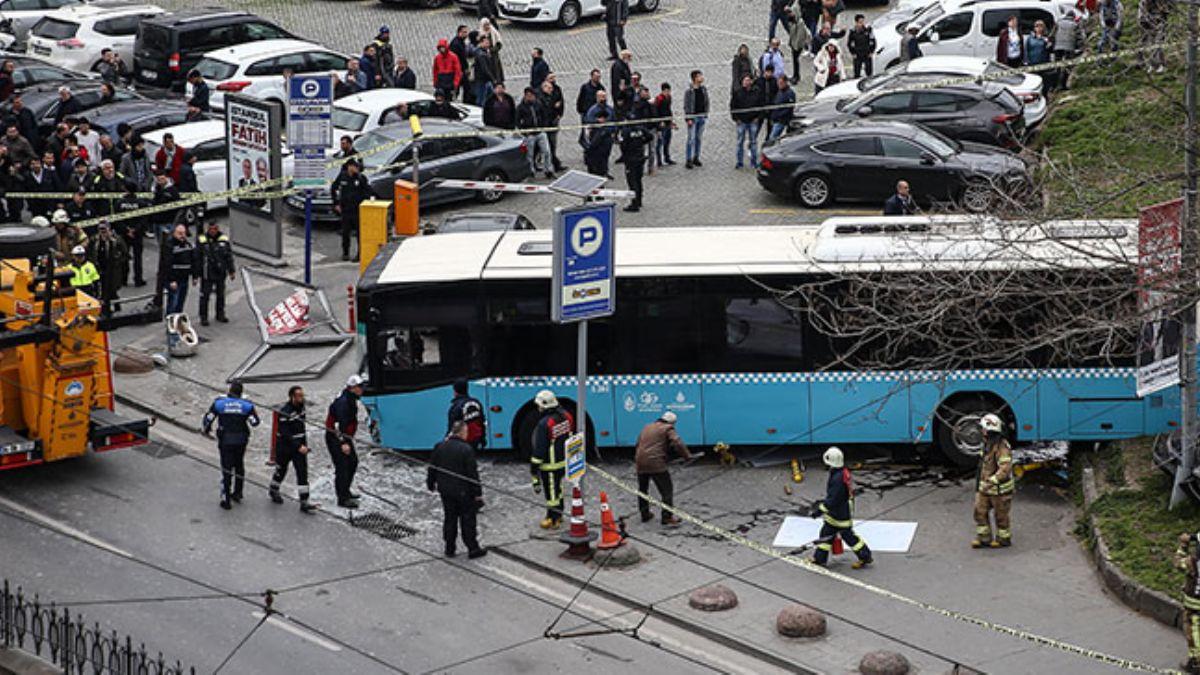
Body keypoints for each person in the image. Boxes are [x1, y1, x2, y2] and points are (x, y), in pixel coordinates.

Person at [429, 421, 487, 559]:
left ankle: (449, 548)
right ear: (461, 432)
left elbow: (432, 468)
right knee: (467, 520)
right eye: (466, 432)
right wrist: (477, 493)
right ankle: (472, 548)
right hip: (463, 491)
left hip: (445, 490)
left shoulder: (440, 446)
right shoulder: (466, 449)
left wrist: (430, 483)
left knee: (450, 518)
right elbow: (472, 474)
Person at [811, 447, 874, 568]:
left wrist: (819, 511)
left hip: (839, 513)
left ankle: (865, 556)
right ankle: (819, 559)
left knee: (848, 536)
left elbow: (833, 499)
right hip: (839, 511)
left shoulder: (837, 479)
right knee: (826, 533)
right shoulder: (841, 473)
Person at [202, 382, 260, 510]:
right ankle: (238, 493)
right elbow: (255, 422)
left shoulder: (219, 403)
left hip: (226, 440)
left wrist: (207, 430)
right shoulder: (247, 406)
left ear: (230, 390)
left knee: (226, 468)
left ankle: (226, 498)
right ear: (241, 392)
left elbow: (208, 419)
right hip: (241, 440)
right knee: (239, 465)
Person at [634, 411, 690, 526]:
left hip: (640, 461)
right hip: (656, 463)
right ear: (672, 422)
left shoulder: (647, 427)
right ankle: (667, 517)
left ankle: (645, 515)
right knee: (667, 490)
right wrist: (687, 456)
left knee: (643, 489)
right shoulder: (668, 428)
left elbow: (638, 443)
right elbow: (677, 442)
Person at [271, 385, 318, 513]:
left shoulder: (301, 408)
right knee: (281, 470)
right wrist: (299, 446)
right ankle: (274, 489)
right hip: (286, 447)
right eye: (299, 396)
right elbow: (286, 434)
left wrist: (304, 446)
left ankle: (304, 501)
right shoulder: (285, 412)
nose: (302, 398)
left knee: (302, 473)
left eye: (302, 395)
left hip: (299, 447)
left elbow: (301, 429)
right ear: (292, 397)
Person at [530, 390, 573, 528]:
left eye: (539, 405)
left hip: (549, 465)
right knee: (558, 490)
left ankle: (553, 519)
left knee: (551, 494)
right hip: (564, 462)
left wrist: (534, 466)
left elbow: (540, 448)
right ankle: (559, 514)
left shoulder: (545, 423)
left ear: (544, 406)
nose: (538, 408)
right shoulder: (566, 416)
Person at [972, 413, 1014, 548]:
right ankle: (984, 538)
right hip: (985, 488)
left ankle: (1003, 539)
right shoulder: (986, 445)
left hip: (1000, 491)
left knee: (1001, 516)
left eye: (984, 429)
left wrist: (993, 479)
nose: (981, 431)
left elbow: (1005, 469)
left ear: (990, 431)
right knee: (979, 512)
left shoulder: (1002, 448)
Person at [326, 374, 366, 508]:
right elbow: (337, 424)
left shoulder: (350, 398)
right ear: (352, 388)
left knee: (353, 463)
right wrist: (343, 442)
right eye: (360, 387)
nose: (362, 389)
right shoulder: (343, 403)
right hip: (336, 438)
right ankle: (342, 498)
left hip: (345, 437)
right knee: (342, 467)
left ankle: (345, 490)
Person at [332, 159, 371, 262]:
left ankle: (360, 254)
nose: (356, 169)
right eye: (354, 167)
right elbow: (334, 188)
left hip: (357, 210)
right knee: (345, 233)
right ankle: (345, 253)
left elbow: (368, 191)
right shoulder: (342, 176)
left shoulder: (361, 178)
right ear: (349, 167)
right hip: (345, 209)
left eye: (357, 167)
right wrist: (336, 203)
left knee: (359, 233)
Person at [197, 221, 234, 326]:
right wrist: (196, 274)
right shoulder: (202, 239)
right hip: (207, 273)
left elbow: (228, 256)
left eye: (215, 229)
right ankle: (203, 317)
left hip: (220, 272)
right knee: (205, 296)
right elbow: (197, 258)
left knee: (221, 295)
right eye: (211, 229)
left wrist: (231, 270)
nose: (213, 231)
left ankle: (220, 314)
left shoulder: (223, 239)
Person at [87, 221, 126, 314]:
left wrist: (118, 260)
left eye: (104, 229)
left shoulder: (116, 240)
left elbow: (124, 252)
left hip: (112, 269)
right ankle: (106, 309)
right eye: (100, 229)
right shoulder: (94, 240)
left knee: (112, 289)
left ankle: (116, 307)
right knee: (103, 290)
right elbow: (90, 252)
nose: (103, 232)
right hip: (99, 267)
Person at [1176, 532, 1200, 674]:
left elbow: (1177, 562)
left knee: (1193, 632)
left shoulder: (1192, 562)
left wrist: (1183, 545)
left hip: (1194, 605)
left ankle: (1196, 663)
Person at [115, 181, 145, 286]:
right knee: (138, 258)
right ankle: (138, 279)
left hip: (124, 234)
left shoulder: (120, 203)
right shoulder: (141, 202)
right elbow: (143, 219)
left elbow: (117, 219)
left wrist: (126, 230)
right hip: (137, 234)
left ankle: (123, 279)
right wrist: (135, 230)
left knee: (124, 257)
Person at [162, 224, 195, 315]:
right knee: (173, 304)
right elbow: (167, 264)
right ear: (174, 234)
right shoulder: (169, 246)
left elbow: (192, 260)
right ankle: (171, 327)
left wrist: (194, 275)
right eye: (180, 233)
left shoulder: (187, 245)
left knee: (180, 304)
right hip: (175, 280)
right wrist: (171, 280)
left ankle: (178, 324)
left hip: (184, 279)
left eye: (184, 233)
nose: (182, 236)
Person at [447, 379, 487, 451]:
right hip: (475, 440)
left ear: (455, 391)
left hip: (463, 442)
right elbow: (482, 422)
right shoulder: (476, 402)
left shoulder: (456, 407)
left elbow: (452, 428)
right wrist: (483, 439)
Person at [731, 75, 761, 169]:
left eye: (748, 80)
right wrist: (736, 119)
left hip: (753, 121)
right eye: (745, 80)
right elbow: (733, 107)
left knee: (753, 142)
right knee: (740, 142)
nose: (746, 82)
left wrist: (758, 117)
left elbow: (761, 105)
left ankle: (754, 162)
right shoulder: (737, 93)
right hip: (741, 121)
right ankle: (739, 162)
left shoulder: (756, 92)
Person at [620, 116, 647, 212]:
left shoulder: (626, 131)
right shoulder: (641, 129)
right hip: (640, 157)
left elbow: (623, 144)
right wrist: (641, 143)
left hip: (631, 159)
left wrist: (625, 153)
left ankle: (634, 204)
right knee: (639, 180)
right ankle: (639, 200)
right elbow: (649, 137)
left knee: (632, 182)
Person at [684, 70, 708, 169]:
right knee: (691, 139)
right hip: (693, 118)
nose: (702, 78)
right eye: (699, 76)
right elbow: (686, 105)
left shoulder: (703, 89)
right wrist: (688, 118)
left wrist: (706, 113)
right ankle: (688, 159)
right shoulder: (689, 91)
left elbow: (706, 101)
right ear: (695, 78)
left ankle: (696, 157)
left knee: (698, 138)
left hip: (702, 116)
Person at [1052, 9, 1081, 90]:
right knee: (1068, 67)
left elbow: (1052, 34)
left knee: (1057, 66)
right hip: (1069, 48)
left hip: (1058, 48)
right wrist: (1079, 48)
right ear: (1073, 17)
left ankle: (1055, 85)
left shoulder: (1058, 22)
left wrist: (1052, 44)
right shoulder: (1075, 24)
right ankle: (1063, 85)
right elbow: (1080, 37)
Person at [1138, 0, 1170, 72]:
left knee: (1158, 44)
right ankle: (1153, 64)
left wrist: (1162, 10)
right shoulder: (1142, 3)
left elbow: (1166, 13)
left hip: (1160, 25)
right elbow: (1141, 17)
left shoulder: (1160, 2)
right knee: (1151, 45)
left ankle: (1162, 64)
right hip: (1148, 26)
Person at [582, 108, 615, 177]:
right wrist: (586, 147)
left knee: (599, 174)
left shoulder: (605, 132)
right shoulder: (589, 128)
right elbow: (582, 139)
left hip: (598, 157)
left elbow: (606, 145)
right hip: (590, 156)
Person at [576, 68, 605, 145]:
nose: (597, 78)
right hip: (586, 112)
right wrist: (581, 110)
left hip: (596, 114)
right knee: (586, 131)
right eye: (596, 76)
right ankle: (585, 144)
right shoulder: (585, 87)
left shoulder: (601, 88)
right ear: (591, 76)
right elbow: (580, 99)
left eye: (599, 77)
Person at [786, 6, 812, 84]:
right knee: (795, 60)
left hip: (797, 45)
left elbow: (800, 36)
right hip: (794, 43)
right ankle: (795, 75)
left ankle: (796, 76)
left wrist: (796, 46)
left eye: (791, 12)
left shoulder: (800, 23)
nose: (790, 14)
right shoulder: (792, 21)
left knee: (796, 60)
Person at [653, 83, 676, 166]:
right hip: (661, 124)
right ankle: (659, 160)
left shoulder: (669, 98)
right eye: (666, 91)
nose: (668, 92)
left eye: (669, 91)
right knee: (660, 142)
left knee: (667, 141)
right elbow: (655, 111)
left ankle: (667, 157)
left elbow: (669, 110)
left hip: (667, 122)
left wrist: (671, 121)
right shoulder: (659, 99)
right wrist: (659, 122)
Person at [472, 36, 498, 106]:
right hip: (482, 80)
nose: (488, 45)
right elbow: (485, 69)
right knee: (481, 99)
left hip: (485, 80)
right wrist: (493, 79)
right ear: (481, 43)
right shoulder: (481, 55)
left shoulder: (483, 52)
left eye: (488, 43)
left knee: (490, 96)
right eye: (486, 43)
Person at [768, 76, 795, 141]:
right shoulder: (779, 92)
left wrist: (779, 115)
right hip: (776, 119)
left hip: (782, 120)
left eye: (781, 83)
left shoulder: (789, 93)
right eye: (778, 83)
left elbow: (789, 108)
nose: (779, 85)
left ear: (785, 82)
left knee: (772, 138)